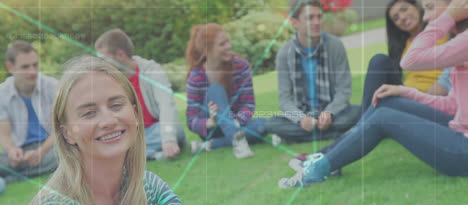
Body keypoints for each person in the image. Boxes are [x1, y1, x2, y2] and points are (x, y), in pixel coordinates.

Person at [19, 56, 274, 205]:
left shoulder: (147, 188)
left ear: (134, 111)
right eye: (89, 113)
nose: (108, 120)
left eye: (116, 105)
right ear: (67, 132)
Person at [277, 0, 468, 188]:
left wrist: (448, 17)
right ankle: (329, 158)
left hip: (463, 150)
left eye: (430, 8)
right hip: (457, 131)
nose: (426, 17)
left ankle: (317, 171)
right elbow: (452, 105)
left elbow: (410, 61)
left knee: (383, 117)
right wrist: (403, 91)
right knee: (385, 102)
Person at [265, 0, 361, 144]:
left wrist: (329, 113)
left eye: (319, 16)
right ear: (295, 22)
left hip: (333, 114)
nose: (317, 22)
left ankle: (296, 137)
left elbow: (344, 91)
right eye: (310, 18)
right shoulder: (284, 53)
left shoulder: (335, 45)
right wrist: (301, 119)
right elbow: (285, 100)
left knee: (357, 111)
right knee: (272, 124)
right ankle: (339, 133)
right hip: (304, 114)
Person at [95, 29, 186, 161]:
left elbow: (166, 104)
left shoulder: (152, 70)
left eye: (103, 58)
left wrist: (168, 139)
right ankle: (152, 154)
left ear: (120, 55)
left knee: (176, 129)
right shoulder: (107, 80)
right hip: (129, 134)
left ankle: (130, 154)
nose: (100, 64)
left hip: (154, 131)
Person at [185, 23, 267, 158]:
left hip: (237, 123)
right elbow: (191, 119)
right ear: (207, 50)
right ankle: (238, 142)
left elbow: (248, 104)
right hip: (213, 128)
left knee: (263, 126)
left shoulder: (240, 65)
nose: (229, 46)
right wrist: (210, 122)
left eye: (228, 41)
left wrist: (236, 121)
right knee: (216, 89)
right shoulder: (196, 77)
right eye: (222, 44)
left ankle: (209, 145)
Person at [360, 0, 452, 114]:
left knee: (379, 105)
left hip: (428, 98)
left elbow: (448, 77)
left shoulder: (443, 32)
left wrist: (419, 97)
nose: (402, 17)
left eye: (404, 9)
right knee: (379, 60)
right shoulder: (403, 46)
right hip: (406, 94)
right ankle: (362, 123)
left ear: (417, 7)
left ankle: (361, 125)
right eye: (396, 18)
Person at [0, 40, 58, 193]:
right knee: (6, 161)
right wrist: (12, 150)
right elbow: (4, 133)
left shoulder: (53, 87)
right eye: (25, 67)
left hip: (50, 147)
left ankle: (9, 179)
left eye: (35, 65)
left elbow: (60, 128)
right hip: (22, 152)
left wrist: (42, 151)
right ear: (11, 67)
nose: (33, 71)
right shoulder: (2, 93)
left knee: (66, 156)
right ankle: (18, 172)